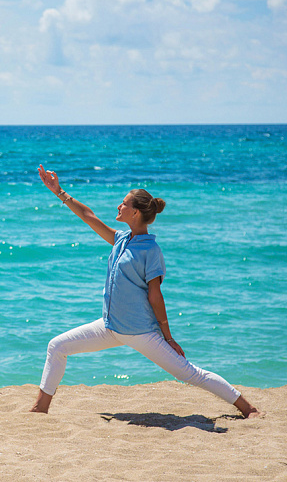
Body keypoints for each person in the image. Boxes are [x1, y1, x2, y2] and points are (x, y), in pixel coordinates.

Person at [30, 164, 260, 418]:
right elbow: (88, 216)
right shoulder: (121, 239)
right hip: (111, 327)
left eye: (124, 204)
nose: (119, 206)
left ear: (136, 213)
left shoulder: (150, 250)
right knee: (57, 346)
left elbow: (155, 296)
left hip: (141, 332)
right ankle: (40, 409)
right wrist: (58, 191)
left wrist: (168, 337)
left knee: (190, 374)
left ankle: (247, 408)